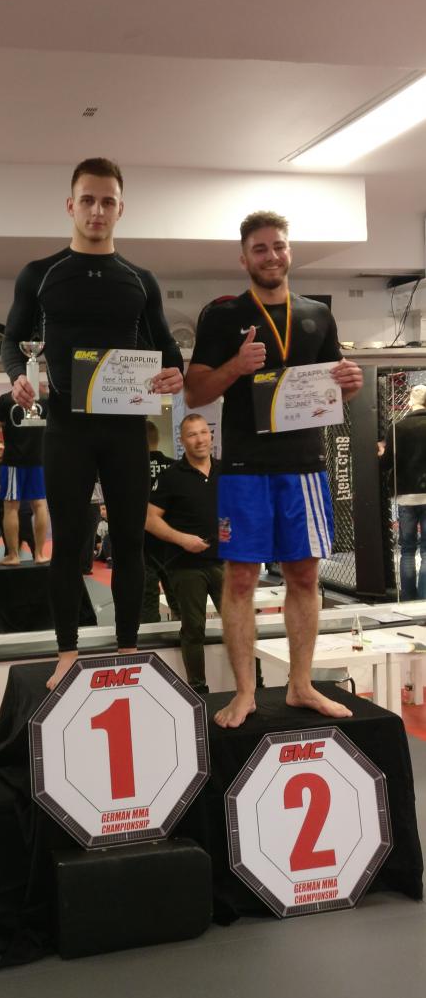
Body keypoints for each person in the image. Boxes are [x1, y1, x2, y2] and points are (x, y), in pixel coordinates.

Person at [2, 157, 184, 688]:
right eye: (88, 200)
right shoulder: (40, 274)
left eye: (108, 201)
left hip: (126, 429)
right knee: (69, 540)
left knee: (129, 541)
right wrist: (17, 377)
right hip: (66, 428)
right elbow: (12, 341)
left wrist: (175, 373)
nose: (97, 210)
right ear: (70, 205)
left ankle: (128, 647)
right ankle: (67, 651)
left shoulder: (140, 280)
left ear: (121, 208)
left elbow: (168, 348)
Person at [186, 210, 363, 727]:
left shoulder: (317, 315)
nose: (271, 256)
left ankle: (300, 685)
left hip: (304, 465)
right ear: (244, 259)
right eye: (259, 249)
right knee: (241, 577)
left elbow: (332, 387)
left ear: (290, 251)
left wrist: (349, 386)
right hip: (244, 468)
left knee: (304, 575)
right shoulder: (222, 316)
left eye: (278, 246)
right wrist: (236, 367)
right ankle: (244, 692)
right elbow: (195, 392)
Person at [145, 414, 221, 689]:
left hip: (225, 562)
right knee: (193, 629)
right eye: (192, 434)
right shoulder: (171, 476)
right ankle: (199, 690)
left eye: (203, 432)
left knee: (241, 625)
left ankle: (253, 685)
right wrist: (182, 539)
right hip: (186, 566)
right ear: (182, 440)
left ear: (211, 436)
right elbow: (149, 519)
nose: (199, 439)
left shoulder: (225, 471)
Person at [0, 390, 50, 564]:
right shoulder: (44, 398)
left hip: (14, 460)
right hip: (38, 459)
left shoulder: (7, 398)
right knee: (40, 505)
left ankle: (13, 555)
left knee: (11, 507)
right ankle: (39, 554)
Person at [380, 383, 426, 599]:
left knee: (407, 549)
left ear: (410, 401)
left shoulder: (397, 428)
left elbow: (386, 463)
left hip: (406, 496)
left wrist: (381, 453)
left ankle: (407, 599)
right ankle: (423, 600)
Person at [141, 419, 179, 624]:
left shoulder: (132, 468)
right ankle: (185, 635)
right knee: (179, 601)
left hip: (143, 544)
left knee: (147, 602)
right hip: (172, 543)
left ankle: (151, 639)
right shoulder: (175, 467)